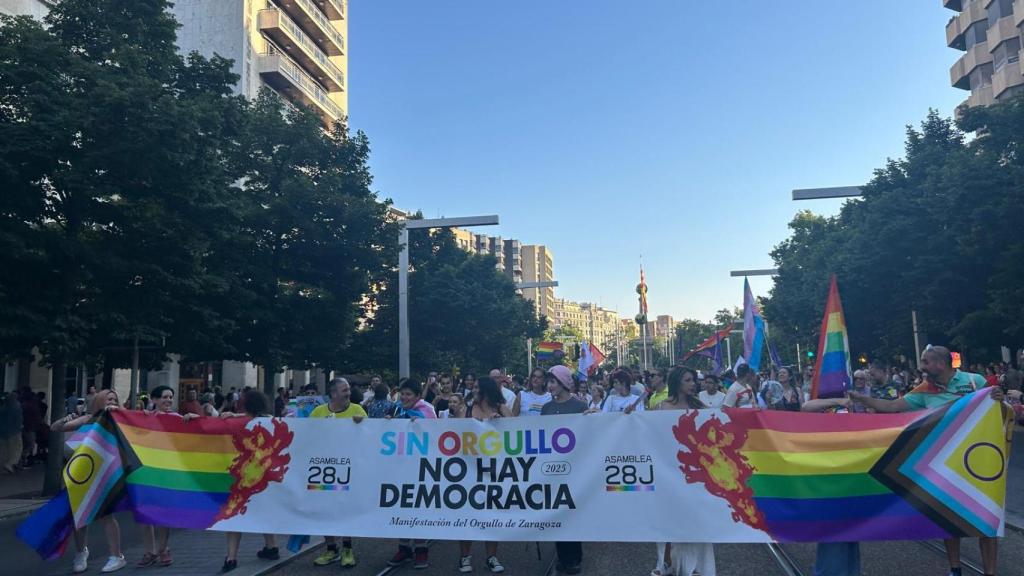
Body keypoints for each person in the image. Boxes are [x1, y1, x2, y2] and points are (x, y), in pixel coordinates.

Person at [849, 346, 1003, 576]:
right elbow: (892, 407)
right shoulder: (923, 391)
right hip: (943, 464)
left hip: (978, 461)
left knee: (986, 519)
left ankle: (990, 572)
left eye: (926, 361)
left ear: (941, 363)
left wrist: (998, 398)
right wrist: (864, 399)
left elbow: (998, 409)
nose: (922, 366)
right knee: (948, 517)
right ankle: (955, 569)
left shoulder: (975, 381)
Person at [651, 367, 715, 576]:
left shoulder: (700, 406)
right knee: (668, 519)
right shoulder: (662, 407)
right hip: (668, 472)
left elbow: (720, 422)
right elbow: (647, 433)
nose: (693, 384)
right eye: (688, 380)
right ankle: (666, 563)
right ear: (677, 382)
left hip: (694, 473)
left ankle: (695, 567)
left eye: (693, 380)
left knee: (695, 520)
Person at [209, 389, 282, 573]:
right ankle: (271, 546)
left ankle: (231, 557)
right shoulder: (270, 422)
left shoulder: (233, 422)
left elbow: (210, 427)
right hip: (264, 476)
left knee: (234, 515)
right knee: (264, 511)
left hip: (240, 475)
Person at [309, 378, 366, 568]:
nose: (349, 393)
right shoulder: (318, 412)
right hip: (323, 470)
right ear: (333, 394)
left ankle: (347, 548)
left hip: (348, 469)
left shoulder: (358, 410)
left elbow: (370, 435)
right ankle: (331, 548)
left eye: (348, 389)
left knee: (345, 509)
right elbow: (308, 434)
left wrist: (362, 424)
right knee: (325, 509)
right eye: (344, 390)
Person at [458, 377, 510, 573]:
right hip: (470, 469)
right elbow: (453, 433)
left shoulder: (502, 409)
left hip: (495, 470)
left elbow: (518, 431)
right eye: (474, 387)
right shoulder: (466, 410)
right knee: (467, 514)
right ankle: (464, 557)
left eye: (478, 387)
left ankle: (492, 557)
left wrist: (501, 423)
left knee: (492, 514)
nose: (474, 390)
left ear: (488, 390)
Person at [138, 385, 193, 567]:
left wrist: (194, 419)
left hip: (168, 471)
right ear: (154, 400)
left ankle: (163, 548)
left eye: (171, 397)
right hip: (146, 469)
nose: (169, 400)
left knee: (163, 512)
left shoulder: (178, 419)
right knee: (146, 512)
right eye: (165, 397)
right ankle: (150, 550)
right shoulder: (145, 418)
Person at [540, 365, 587, 574]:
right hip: (552, 469)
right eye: (548, 382)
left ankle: (574, 558)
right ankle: (562, 555)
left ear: (563, 382)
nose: (549, 386)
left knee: (571, 513)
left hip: (574, 468)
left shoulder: (579, 406)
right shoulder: (546, 408)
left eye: (552, 382)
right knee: (557, 512)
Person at [386, 380, 435, 569]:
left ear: (417, 396)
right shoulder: (396, 410)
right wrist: (387, 423)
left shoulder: (426, 410)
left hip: (421, 467)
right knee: (402, 506)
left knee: (419, 507)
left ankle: (421, 549)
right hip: (399, 466)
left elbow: (435, 434)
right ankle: (404, 548)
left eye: (408, 394)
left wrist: (421, 425)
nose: (404, 398)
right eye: (402, 394)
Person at [1, 391, 23, 473]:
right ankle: (10, 463)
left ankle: (5, 464)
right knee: (17, 448)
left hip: (3, 432)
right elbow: (19, 420)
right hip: (14, 432)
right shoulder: (17, 407)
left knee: (5, 449)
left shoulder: (4, 407)